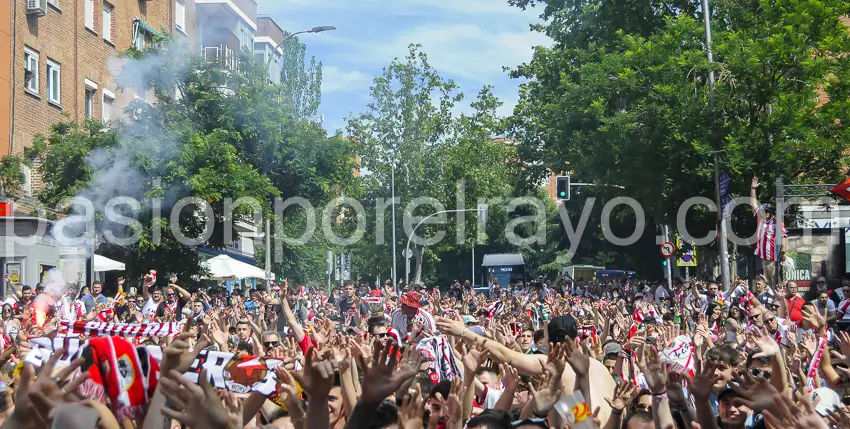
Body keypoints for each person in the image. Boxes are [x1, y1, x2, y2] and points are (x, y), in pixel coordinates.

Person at [750, 176, 787, 287]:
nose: (765, 213)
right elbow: (753, 204)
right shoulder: (760, 218)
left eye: (768, 211)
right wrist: (753, 189)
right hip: (762, 255)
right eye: (764, 211)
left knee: (773, 282)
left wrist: (784, 250)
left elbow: (784, 236)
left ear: (771, 212)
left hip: (772, 257)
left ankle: (775, 300)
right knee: (764, 281)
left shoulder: (777, 222)